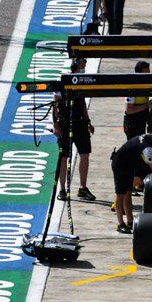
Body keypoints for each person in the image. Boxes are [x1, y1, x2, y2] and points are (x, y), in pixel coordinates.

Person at [111, 129, 152, 232]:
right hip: (120, 164)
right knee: (120, 194)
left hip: (130, 165)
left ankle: (130, 222)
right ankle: (120, 224)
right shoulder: (148, 148)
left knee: (128, 193)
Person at [52, 58, 96, 202]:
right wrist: (55, 125)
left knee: (85, 155)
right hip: (65, 124)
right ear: (76, 63)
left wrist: (88, 122)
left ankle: (83, 188)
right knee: (64, 158)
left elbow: (82, 103)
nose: (86, 64)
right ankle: (62, 189)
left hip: (80, 124)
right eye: (84, 61)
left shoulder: (82, 80)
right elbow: (55, 104)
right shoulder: (63, 81)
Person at [124, 60, 151, 140]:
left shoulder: (145, 84)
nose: (149, 76)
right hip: (132, 123)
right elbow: (129, 110)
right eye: (146, 73)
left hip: (142, 121)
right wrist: (146, 105)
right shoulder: (131, 87)